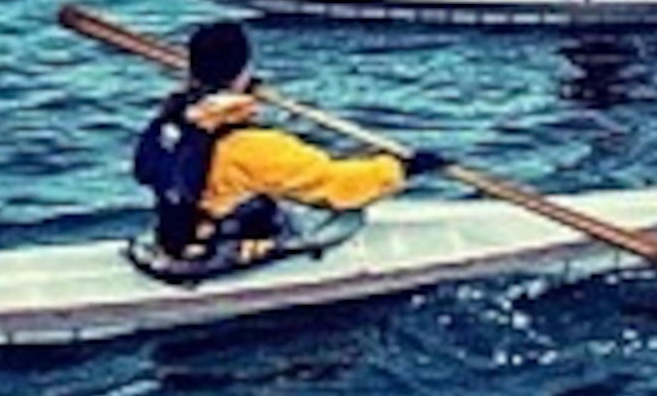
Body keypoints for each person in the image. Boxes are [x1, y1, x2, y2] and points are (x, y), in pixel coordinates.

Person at [132, 20, 443, 271]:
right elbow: (339, 185)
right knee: (349, 216)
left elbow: (145, 170)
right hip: (221, 243)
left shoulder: (172, 119)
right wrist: (404, 168)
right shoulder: (254, 146)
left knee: (259, 193)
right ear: (243, 71)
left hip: (176, 230)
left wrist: (243, 94)